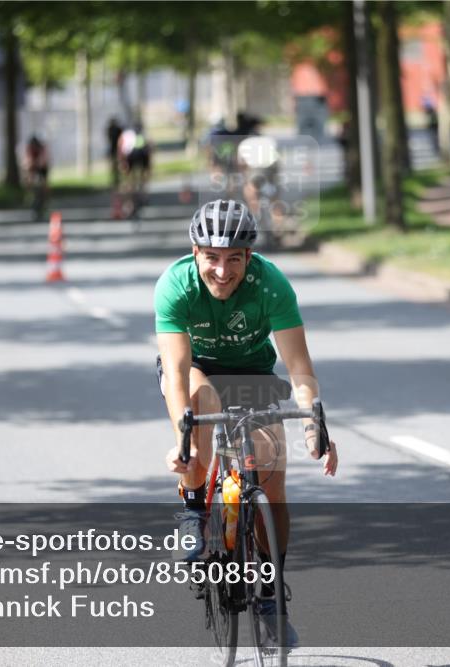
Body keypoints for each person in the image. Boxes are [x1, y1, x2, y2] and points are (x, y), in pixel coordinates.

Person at [154, 199, 339, 646]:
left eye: (233, 259)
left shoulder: (271, 284)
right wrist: (185, 438)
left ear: (249, 258)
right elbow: (176, 372)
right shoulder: (175, 285)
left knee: (271, 475)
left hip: (254, 373)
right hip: (196, 370)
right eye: (212, 258)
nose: (222, 271)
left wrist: (314, 422)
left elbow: (298, 364)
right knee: (202, 406)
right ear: (196, 253)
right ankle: (193, 507)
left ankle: (273, 594)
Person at [236, 115, 281, 235]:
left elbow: (241, 164)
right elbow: (277, 159)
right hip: (270, 170)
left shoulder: (244, 143)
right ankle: (278, 221)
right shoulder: (270, 141)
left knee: (250, 190)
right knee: (274, 197)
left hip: (255, 171)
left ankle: (254, 214)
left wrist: (243, 175)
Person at [117, 121, 151, 218]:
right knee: (140, 178)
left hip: (130, 157)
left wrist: (122, 162)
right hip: (140, 156)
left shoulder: (126, 135)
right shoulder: (143, 135)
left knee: (128, 181)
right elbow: (149, 149)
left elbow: (120, 148)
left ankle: (129, 203)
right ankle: (141, 196)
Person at [22, 134, 50, 212]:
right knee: (28, 178)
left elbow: (44, 158)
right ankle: (28, 194)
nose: (34, 147)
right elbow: (26, 159)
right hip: (33, 166)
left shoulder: (42, 148)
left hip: (42, 167)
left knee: (44, 183)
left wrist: (41, 163)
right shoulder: (29, 148)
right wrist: (28, 165)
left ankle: (45, 197)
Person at [106, 117, 123, 188]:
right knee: (115, 166)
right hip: (115, 149)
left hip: (115, 149)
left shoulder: (110, 129)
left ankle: (116, 180)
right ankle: (116, 180)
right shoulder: (116, 129)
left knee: (116, 166)